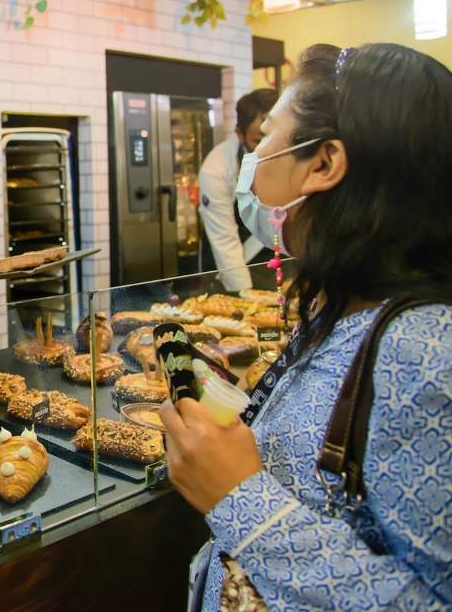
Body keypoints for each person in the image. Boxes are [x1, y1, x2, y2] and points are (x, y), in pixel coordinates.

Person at [161, 43, 452, 611]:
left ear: (323, 164)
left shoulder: (424, 350)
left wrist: (238, 498)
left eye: (267, 135)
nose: (256, 153)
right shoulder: (342, 308)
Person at [198, 88, 278, 292]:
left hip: (272, 257)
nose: (268, 149)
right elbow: (225, 241)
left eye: (274, 138)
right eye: (259, 141)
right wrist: (245, 295)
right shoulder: (217, 168)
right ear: (240, 134)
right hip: (229, 262)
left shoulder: (290, 153)